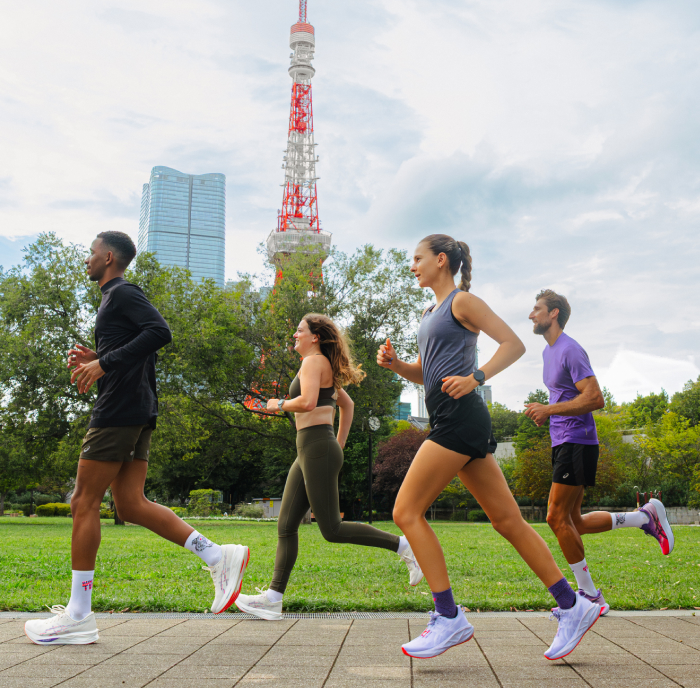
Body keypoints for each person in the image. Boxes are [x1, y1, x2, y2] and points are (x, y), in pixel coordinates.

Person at [377, 234, 603, 662]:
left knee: (405, 512)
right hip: (451, 417)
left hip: (461, 418)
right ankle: (574, 606)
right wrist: (396, 365)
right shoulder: (430, 311)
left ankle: (448, 617)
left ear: (441, 260)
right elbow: (427, 375)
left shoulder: (462, 302)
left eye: (417, 259)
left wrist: (476, 379)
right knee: (507, 520)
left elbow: (513, 344)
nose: (413, 267)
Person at [24, 231, 249, 646]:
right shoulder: (114, 300)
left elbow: (159, 332)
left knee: (82, 502)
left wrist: (103, 364)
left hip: (119, 410)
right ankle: (217, 555)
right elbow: (139, 346)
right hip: (137, 408)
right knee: (130, 503)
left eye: (91, 253)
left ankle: (78, 615)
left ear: (108, 257)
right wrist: (97, 359)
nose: (86, 260)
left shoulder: (122, 292)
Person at [234, 312, 423, 618]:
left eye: (299, 330)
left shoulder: (314, 362)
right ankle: (272, 598)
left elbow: (308, 402)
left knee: (331, 528)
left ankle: (404, 546)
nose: (294, 335)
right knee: (285, 525)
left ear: (315, 337)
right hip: (312, 448)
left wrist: (278, 403)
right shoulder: (319, 366)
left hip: (317, 447)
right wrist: (340, 443)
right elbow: (346, 405)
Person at [525, 289, 674, 614]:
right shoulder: (548, 353)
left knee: (555, 517)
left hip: (577, 441)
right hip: (563, 441)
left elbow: (595, 398)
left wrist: (549, 410)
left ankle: (589, 595)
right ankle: (642, 517)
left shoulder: (570, 349)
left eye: (536, 309)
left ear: (553, 313)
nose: (531, 315)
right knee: (573, 522)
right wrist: (546, 414)